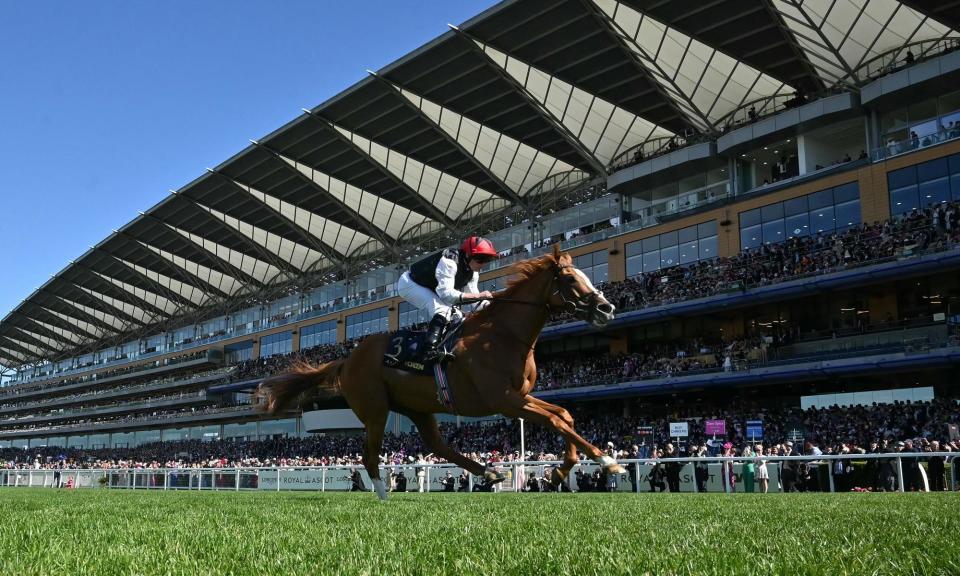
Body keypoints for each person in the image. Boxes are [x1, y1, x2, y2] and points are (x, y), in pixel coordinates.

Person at [396, 235, 498, 360]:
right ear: (467, 255)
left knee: (458, 317)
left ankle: (446, 348)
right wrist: (479, 296)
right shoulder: (449, 261)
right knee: (443, 311)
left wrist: (494, 306)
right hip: (410, 283)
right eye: (480, 259)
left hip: (431, 288)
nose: (483, 264)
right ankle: (428, 351)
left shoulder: (473, 272)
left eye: (487, 260)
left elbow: (475, 302)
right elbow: (447, 294)